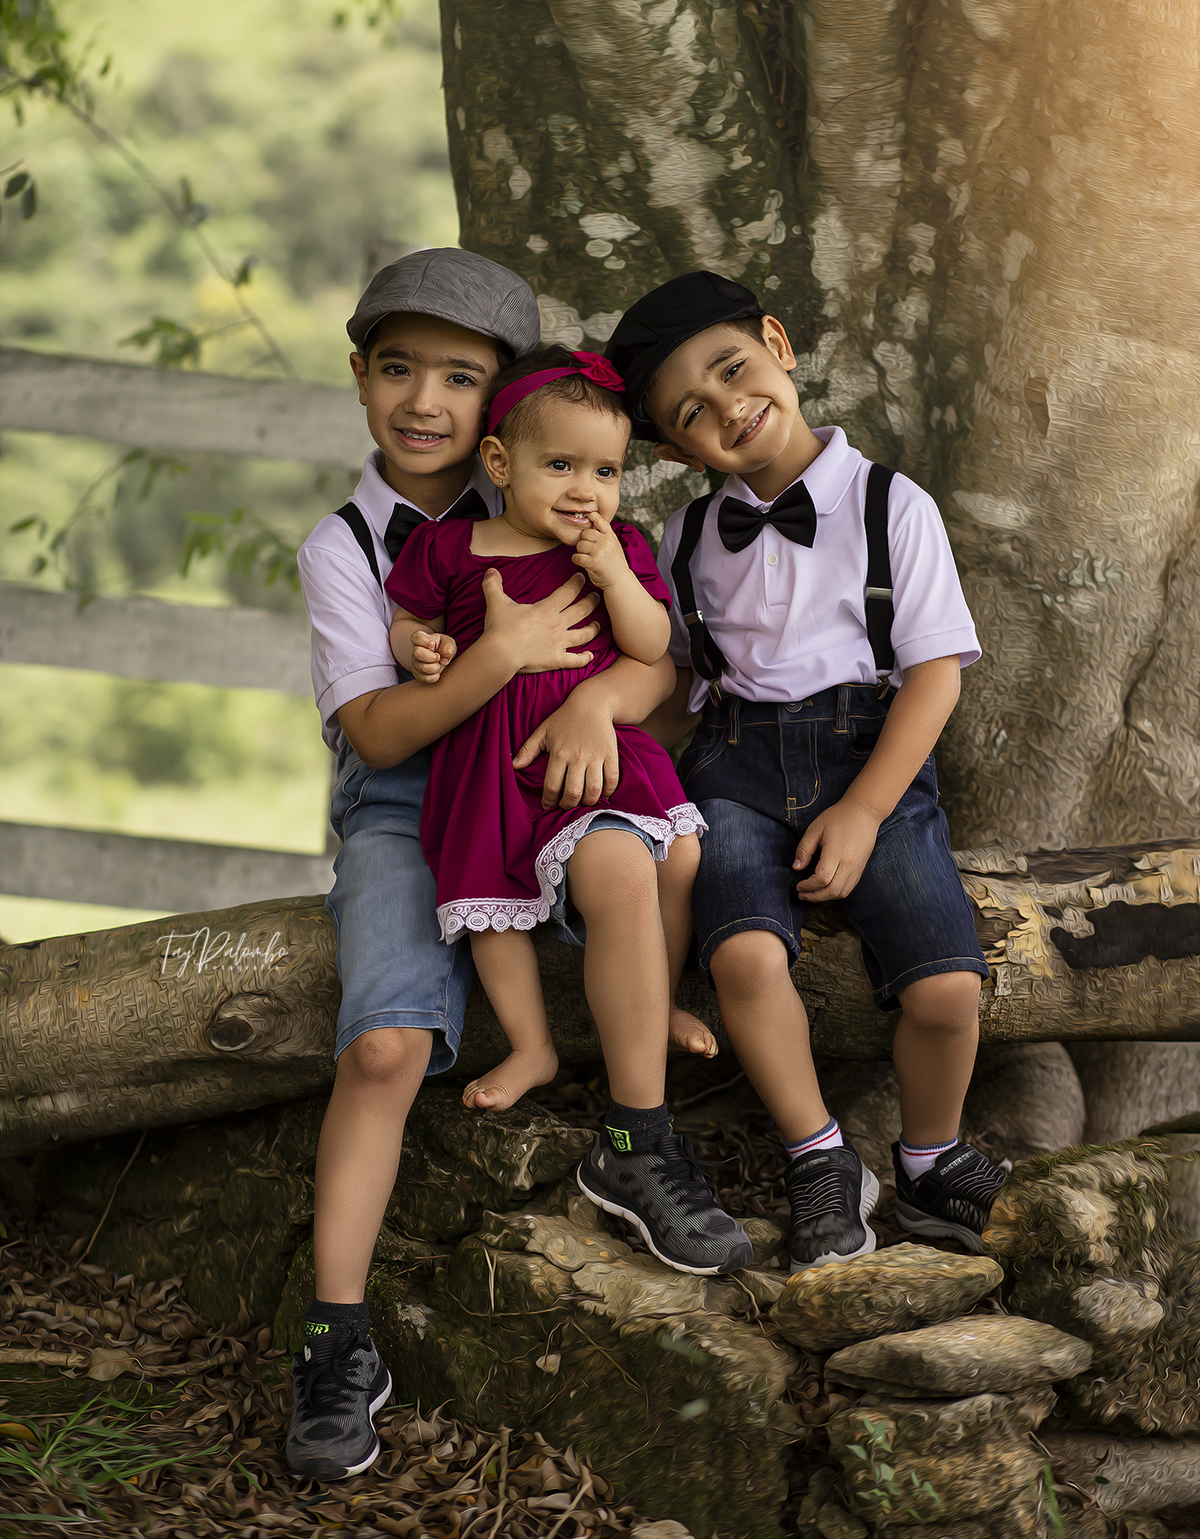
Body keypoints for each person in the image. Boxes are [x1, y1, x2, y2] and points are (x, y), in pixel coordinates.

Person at [288, 250, 689, 1482]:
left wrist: (589, 715)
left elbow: (653, 663)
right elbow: (379, 732)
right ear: (360, 378)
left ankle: (642, 1142)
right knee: (386, 1043)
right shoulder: (349, 547)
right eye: (397, 368)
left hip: (548, 777)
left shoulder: (565, 500)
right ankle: (335, 1340)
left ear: (501, 403)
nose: (424, 402)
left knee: (634, 861)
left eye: (459, 378)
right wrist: (496, 656)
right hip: (410, 802)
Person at [606, 270, 1007, 1276]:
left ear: (778, 345)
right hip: (734, 767)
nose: (726, 407)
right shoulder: (687, 535)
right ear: (672, 451)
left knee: (950, 986)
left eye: (733, 368)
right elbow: (676, 667)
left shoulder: (890, 505)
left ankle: (928, 1157)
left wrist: (868, 810)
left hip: (870, 758)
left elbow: (932, 680)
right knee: (742, 957)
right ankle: (821, 1160)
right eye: (691, 412)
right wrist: (592, 716)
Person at [383, 345, 749, 1265]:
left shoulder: (617, 548)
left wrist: (616, 573)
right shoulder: (448, 547)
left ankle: (650, 1025)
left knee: (665, 860)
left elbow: (652, 642)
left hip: (599, 762)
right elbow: (408, 617)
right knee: (493, 907)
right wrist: (420, 650)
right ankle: (534, 1046)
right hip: (494, 763)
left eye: (607, 471)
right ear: (500, 465)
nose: (586, 488)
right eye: (561, 467)